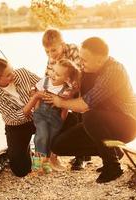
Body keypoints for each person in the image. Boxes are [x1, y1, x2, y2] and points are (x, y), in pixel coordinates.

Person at [44, 37, 136, 183]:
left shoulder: (114, 71)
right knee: (58, 145)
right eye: (80, 58)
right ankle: (114, 152)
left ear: (100, 60)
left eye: (84, 60)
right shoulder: (89, 70)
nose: (80, 63)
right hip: (100, 122)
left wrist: (60, 102)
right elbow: (78, 94)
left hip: (128, 123)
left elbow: (85, 105)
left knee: (90, 116)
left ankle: (113, 166)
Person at [0, 57, 40, 177]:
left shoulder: (22, 73)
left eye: (12, 70)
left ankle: (45, 152)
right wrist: (34, 99)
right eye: (8, 75)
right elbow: (14, 117)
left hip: (37, 118)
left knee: (66, 123)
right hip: (16, 126)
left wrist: (35, 90)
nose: (13, 74)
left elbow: (44, 84)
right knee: (21, 171)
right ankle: (24, 149)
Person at [42, 28, 91, 170]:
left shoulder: (74, 50)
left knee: (80, 117)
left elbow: (80, 74)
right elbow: (48, 76)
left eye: (53, 50)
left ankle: (81, 157)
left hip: (82, 87)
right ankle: (53, 152)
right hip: (67, 88)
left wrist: (68, 93)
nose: (50, 55)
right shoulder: (52, 58)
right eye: (47, 51)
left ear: (62, 44)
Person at [23, 59, 80, 174]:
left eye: (58, 74)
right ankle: (37, 164)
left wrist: (61, 121)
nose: (53, 75)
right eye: (53, 71)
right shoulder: (44, 82)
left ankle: (46, 163)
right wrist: (36, 110)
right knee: (42, 136)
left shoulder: (66, 90)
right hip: (41, 115)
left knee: (50, 140)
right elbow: (36, 96)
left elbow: (64, 108)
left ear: (67, 79)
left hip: (56, 119)